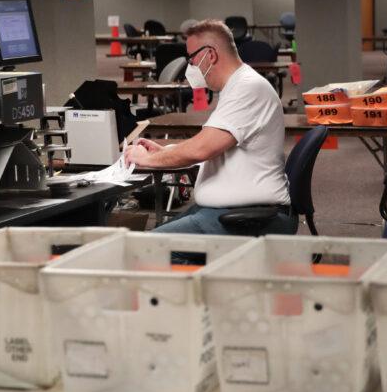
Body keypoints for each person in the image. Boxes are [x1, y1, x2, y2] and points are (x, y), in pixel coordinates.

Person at [124, 18, 296, 235]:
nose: (191, 67)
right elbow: (209, 141)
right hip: (229, 211)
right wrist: (165, 151)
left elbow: (201, 150)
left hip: (249, 216)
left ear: (211, 55)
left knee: (148, 248)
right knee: (154, 239)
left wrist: (147, 160)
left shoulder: (248, 88)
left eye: (192, 59)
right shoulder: (236, 86)